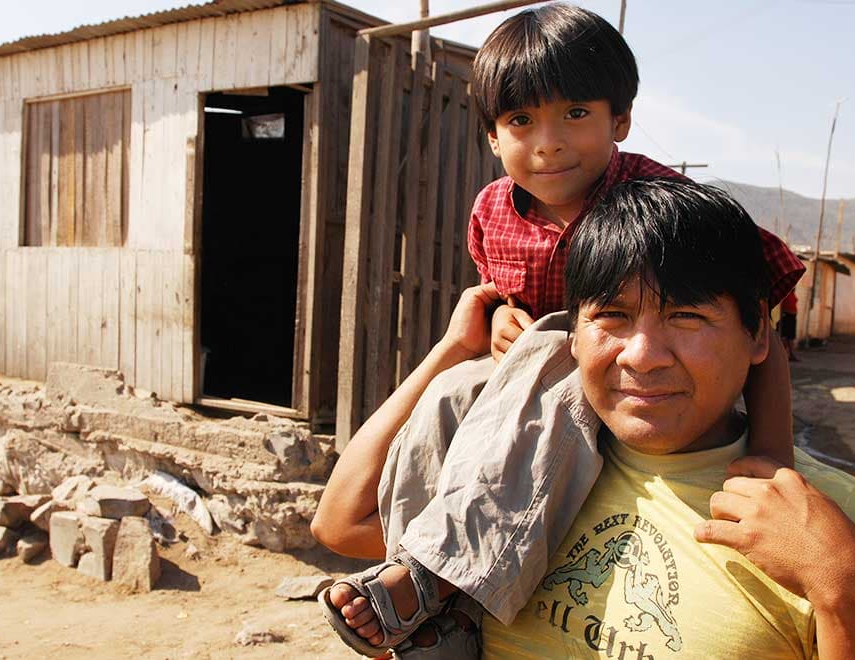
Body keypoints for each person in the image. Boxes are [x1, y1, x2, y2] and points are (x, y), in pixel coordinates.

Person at [312, 4, 805, 656]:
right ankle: (441, 614)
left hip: (614, 387)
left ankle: (429, 581)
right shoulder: (492, 210)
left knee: (551, 349)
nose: (548, 142)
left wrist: (771, 462)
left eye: (575, 113)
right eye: (521, 120)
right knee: (456, 390)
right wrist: (491, 324)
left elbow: (760, 305)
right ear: (491, 136)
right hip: (523, 396)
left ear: (620, 121)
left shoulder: (659, 207)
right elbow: (497, 300)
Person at [321, 179, 855, 658]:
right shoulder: (528, 465)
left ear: (756, 334)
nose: (641, 356)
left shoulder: (838, 527)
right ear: (571, 332)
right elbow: (342, 521)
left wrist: (843, 586)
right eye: (612, 316)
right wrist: (455, 350)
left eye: (688, 317)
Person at [780, 290, 799, 361]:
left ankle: (790, 354)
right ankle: (785, 353)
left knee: (790, 336)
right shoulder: (785, 294)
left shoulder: (791, 293)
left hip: (792, 316)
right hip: (787, 315)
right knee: (786, 336)